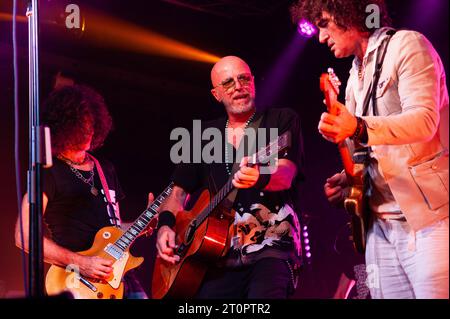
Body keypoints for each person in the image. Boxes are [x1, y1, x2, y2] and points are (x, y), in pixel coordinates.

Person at [291, 0, 449, 298]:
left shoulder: (408, 44)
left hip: (429, 220)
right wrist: (349, 179)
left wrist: (358, 126)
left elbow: (425, 121)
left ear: (347, 13)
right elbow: (369, 149)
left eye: (324, 24)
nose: (321, 37)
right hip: (379, 227)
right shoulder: (353, 78)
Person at [155, 56, 304, 299]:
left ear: (253, 82)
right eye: (228, 83)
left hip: (271, 247)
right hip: (213, 258)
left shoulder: (281, 120)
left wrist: (260, 176)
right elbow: (176, 194)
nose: (238, 86)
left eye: (243, 78)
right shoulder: (201, 134)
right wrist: (165, 227)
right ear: (216, 94)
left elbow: (286, 174)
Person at [15, 84, 149, 299]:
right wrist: (82, 263)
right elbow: (24, 235)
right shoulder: (48, 172)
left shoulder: (105, 168)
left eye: (91, 124)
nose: (88, 131)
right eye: (80, 125)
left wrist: (144, 222)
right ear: (63, 127)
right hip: (77, 279)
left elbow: (112, 229)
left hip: (118, 275)